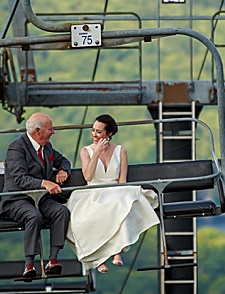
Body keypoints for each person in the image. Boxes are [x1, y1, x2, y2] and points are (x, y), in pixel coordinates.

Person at [66, 114, 159, 273]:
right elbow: (88, 177)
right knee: (89, 215)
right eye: (93, 131)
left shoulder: (120, 150)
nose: (94, 135)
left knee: (120, 203)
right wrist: (96, 154)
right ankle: (98, 259)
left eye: (99, 132)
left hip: (115, 189)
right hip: (93, 190)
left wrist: (121, 193)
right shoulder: (85, 151)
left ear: (108, 134)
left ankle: (116, 251)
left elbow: (122, 179)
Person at [0, 112, 72, 280]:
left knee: (61, 212)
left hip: (39, 198)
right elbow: (19, 178)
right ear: (38, 131)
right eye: (50, 129)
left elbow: (63, 160)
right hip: (17, 199)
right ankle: (29, 263)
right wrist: (45, 183)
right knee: (33, 216)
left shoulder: (47, 148)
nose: (53, 132)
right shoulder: (17, 148)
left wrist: (63, 170)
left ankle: (53, 259)